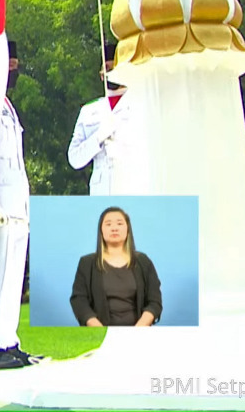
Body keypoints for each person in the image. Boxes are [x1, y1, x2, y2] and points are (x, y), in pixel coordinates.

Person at [0, 41, 44, 370]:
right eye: (10, 66)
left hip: (16, 202)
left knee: (14, 273)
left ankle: (8, 341)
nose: (13, 72)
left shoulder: (6, 105)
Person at [70, 206, 163, 327]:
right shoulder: (87, 263)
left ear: (128, 229)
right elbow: (79, 300)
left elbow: (155, 301)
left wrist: (139, 329)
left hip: (138, 331)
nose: (114, 228)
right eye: (108, 224)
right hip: (100, 332)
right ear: (101, 230)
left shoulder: (143, 261)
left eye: (119, 223)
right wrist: (99, 330)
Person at [68, 43, 134, 195]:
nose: (111, 74)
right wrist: (97, 138)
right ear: (101, 74)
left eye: (115, 68)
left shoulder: (138, 104)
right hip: (101, 190)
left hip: (130, 187)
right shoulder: (89, 111)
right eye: (108, 69)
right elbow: (74, 158)